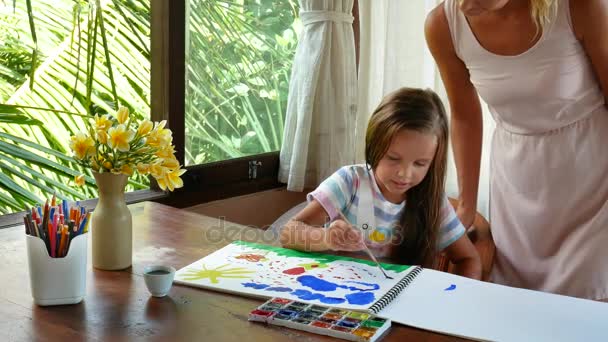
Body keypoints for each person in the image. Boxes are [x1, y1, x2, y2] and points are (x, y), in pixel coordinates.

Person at [425, 0, 607, 299]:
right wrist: (467, 204)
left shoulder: (579, 7)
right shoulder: (442, 25)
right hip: (518, 186)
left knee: (590, 300)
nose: (464, 4)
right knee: (519, 301)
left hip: (594, 180)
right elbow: (464, 116)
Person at [280, 87, 482, 279]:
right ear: (374, 146)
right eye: (393, 158)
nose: (404, 173)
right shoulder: (350, 182)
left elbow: (469, 259)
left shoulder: (433, 201)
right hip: (337, 295)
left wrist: (455, 299)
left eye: (420, 163)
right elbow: (289, 232)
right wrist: (326, 238)